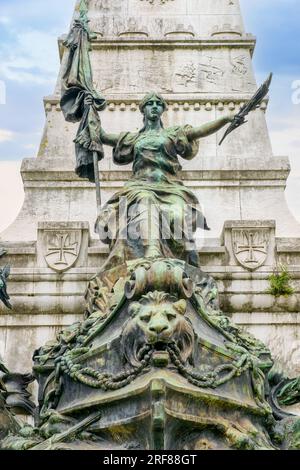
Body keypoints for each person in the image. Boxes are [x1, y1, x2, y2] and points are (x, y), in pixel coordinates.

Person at [85, 92, 238, 269]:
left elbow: (200, 131)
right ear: (143, 110)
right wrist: (90, 110)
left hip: (171, 188)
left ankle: (177, 261)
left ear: (163, 110)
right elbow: (102, 136)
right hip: (139, 186)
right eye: (150, 103)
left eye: (159, 103)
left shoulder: (174, 134)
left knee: (178, 216)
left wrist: (226, 119)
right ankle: (153, 252)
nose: (155, 106)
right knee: (145, 199)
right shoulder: (133, 138)